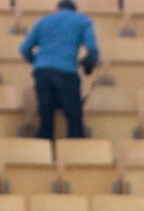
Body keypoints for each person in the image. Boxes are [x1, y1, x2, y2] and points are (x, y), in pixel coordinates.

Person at [20, 0, 99, 140]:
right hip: (66, 73)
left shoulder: (43, 21)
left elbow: (24, 49)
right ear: (75, 10)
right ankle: (73, 154)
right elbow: (92, 48)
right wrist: (88, 62)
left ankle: (44, 156)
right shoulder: (82, 21)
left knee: (46, 119)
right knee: (74, 119)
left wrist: (37, 61)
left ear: (57, 9)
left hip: (42, 73)